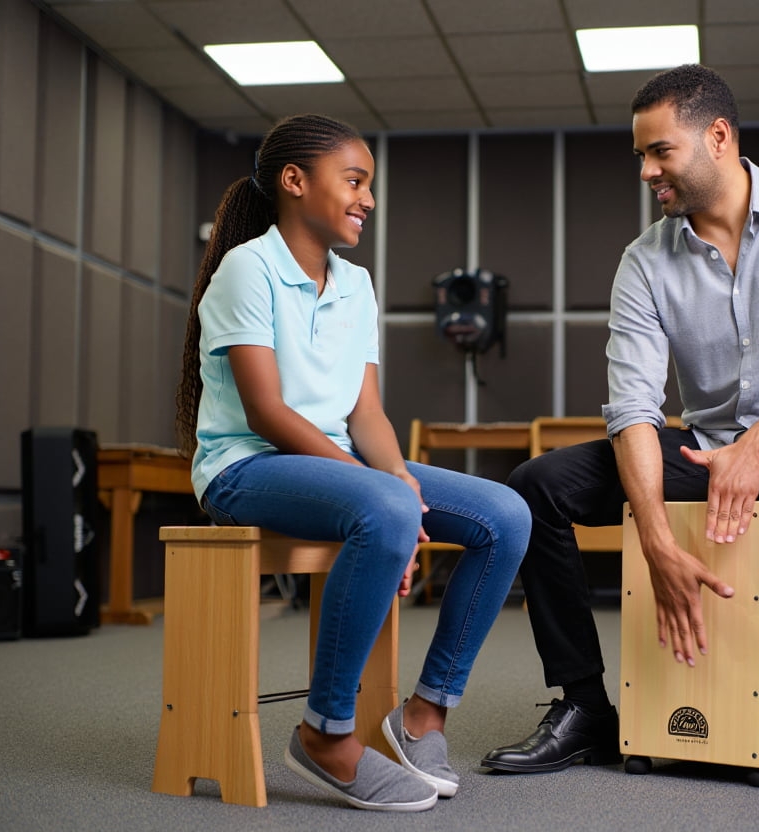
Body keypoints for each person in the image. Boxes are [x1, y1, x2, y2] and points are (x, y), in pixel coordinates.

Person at [481, 65, 759, 814]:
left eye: (660, 151)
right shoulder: (644, 260)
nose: (646, 171)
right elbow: (633, 407)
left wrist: (753, 450)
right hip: (702, 447)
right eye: (641, 155)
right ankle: (585, 707)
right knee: (536, 489)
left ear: (719, 137)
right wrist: (656, 536)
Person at [175, 114, 530, 813]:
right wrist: (380, 494)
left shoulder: (356, 283)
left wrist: (395, 478)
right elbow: (266, 412)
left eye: (370, 185)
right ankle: (326, 733)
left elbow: (366, 412)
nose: (368, 199)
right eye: (355, 181)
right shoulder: (247, 267)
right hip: (244, 467)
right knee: (387, 505)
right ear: (295, 181)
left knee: (506, 516)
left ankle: (424, 716)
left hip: (337, 465)